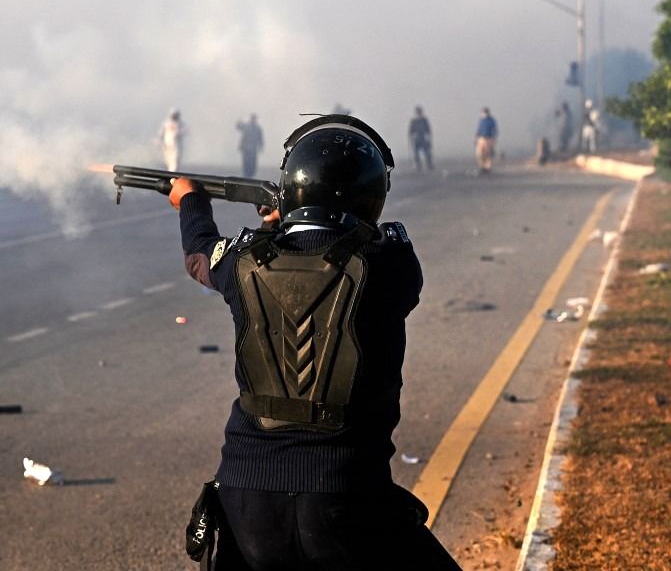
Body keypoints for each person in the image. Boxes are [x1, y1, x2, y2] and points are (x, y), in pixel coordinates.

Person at [169, 115, 461, 571]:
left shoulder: (243, 263)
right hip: (347, 499)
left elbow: (201, 255)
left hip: (247, 504)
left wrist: (191, 202)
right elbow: (348, 250)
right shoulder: (391, 268)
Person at [407, 105, 433, 172]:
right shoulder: (414, 121)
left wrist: (428, 138)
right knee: (417, 155)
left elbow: (428, 130)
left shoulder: (424, 120)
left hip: (423, 139)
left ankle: (429, 165)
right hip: (417, 140)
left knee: (427, 153)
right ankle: (419, 166)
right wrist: (412, 138)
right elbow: (410, 131)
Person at [474, 106, 498, 174]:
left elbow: (494, 130)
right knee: (480, 153)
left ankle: (488, 167)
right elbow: (478, 129)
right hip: (481, 138)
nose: (483, 114)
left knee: (488, 153)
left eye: (484, 112)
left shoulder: (491, 120)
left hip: (488, 138)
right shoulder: (481, 120)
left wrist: (493, 138)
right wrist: (476, 138)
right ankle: (482, 166)